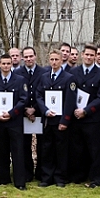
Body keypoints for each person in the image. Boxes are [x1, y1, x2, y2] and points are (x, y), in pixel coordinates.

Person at [69, 44, 100, 187]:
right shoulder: (74, 72)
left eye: (92, 55)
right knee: (77, 149)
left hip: (91, 118)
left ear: (95, 57)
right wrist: (75, 110)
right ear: (82, 55)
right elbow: (70, 94)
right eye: (87, 54)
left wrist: (86, 110)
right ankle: (78, 176)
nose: (89, 57)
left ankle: (96, 178)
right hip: (76, 117)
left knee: (95, 150)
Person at [35, 50, 77, 187]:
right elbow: (38, 96)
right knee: (47, 149)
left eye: (56, 59)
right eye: (52, 59)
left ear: (61, 60)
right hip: (48, 120)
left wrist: (65, 120)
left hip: (60, 121)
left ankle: (60, 178)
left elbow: (70, 101)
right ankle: (47, 178)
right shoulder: (44, 77)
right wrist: (45, 111)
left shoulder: (68, 78)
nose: (54, 62)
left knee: (61, 150)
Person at [0, 55, 29, 190]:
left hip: (15, 122)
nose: (6, 66)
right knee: (1, 151)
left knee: (18, 151)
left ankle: (19, 182)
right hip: (0, 122)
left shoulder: (20, 80)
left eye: (8, 63)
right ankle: (3, 179)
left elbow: (23, 100)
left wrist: (11, 113)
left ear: (12, 65)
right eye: (4, 63)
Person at [16, 47, 42, 181]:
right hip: (23, 113)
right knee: (24, 145)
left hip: (39, 113)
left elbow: (43, 94)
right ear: (22, 58)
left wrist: (35, 109)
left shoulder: (43, 72)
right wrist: (25, 109)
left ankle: (41, 172)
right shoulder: (17, 73)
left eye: (30, 56)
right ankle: (26, 173)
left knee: (42, 145)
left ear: (35, 56)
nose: (28, 59)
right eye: (25, 57)